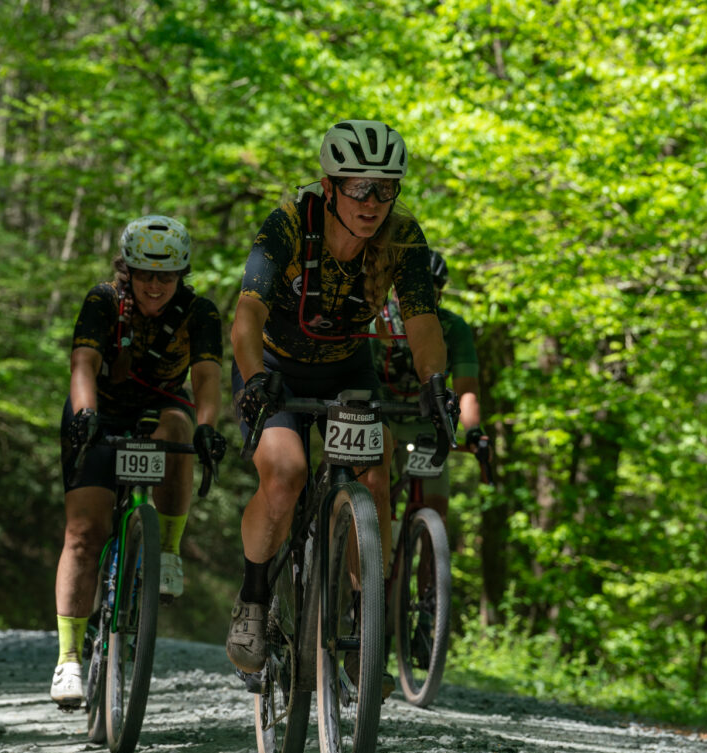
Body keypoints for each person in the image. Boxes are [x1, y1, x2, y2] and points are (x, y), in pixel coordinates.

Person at [226, 119, 453, 686]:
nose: (373, 202)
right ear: (329, 188)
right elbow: (247, 315)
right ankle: (253, 598)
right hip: (273, 365)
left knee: (376, 474)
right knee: (286, 473)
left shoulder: (403, 237)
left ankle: (362, 620)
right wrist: (254, 380)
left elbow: (422, 321)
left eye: (386, 188)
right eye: (359, 188)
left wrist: (435, 385)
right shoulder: (289, 224)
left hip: (348, 366)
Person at [50, 215, 225, 708]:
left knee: (180, 433)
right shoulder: (103, 301)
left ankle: (166, 550)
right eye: (145, 274)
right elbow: (83, 363)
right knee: (84, 533)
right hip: (100, 406)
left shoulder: (200, 312)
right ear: (126, 270)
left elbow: (207, 377)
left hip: (162, 404)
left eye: (166, 276)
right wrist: (86, 415)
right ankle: (68, 658)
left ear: (180, 275)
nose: (154, 285)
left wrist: (209, 426)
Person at [374, 249, 491, 523]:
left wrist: (473, 432)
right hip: (378, 416)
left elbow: (466, 389)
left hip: (424, 420)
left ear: (439, 294)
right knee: (375, 495)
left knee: (436, 507)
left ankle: (429, 546)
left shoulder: (453, 328)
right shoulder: (374, 321)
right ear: (395, 290)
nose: (420, 297)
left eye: (430, 290)